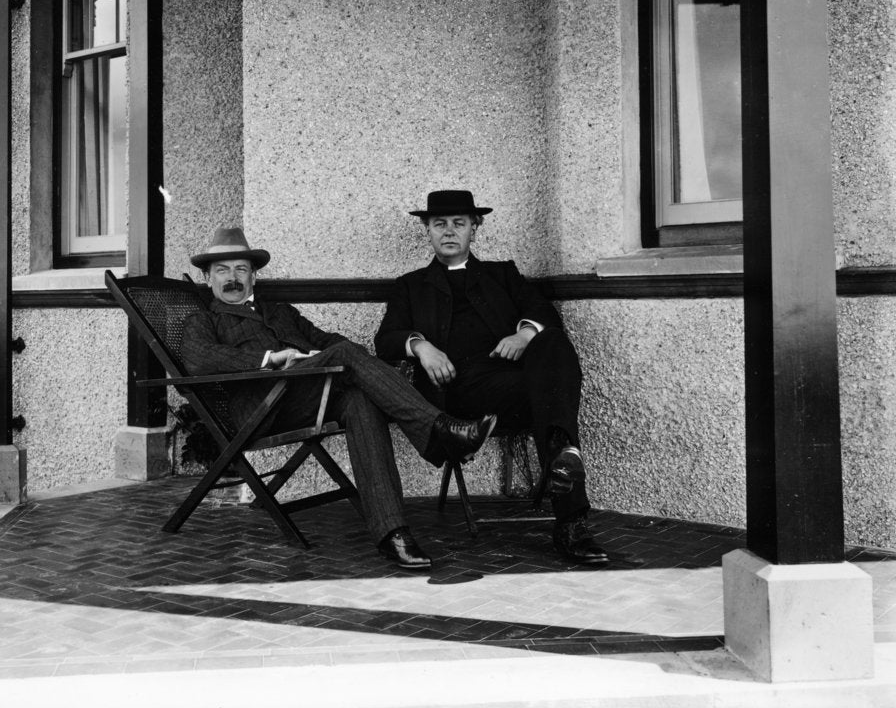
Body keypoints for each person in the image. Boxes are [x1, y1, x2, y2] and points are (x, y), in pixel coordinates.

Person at [180, 226, 497, 571]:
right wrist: (270, 359)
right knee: (345, 354)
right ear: (207, 277)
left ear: (253, 276)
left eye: (240, 269)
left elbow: (325, 338)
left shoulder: (281, 312)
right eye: (222, 270)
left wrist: (344, 359)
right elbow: (197, 358)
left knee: (359, 398)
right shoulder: (204, 319)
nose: (232, 278)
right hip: (260, 410)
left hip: (304, 395)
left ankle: (393, 533)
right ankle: (439, 430)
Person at [374, 190, 608, 565]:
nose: (449, 232)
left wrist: (523, 335)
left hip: (516, 388)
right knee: (551, 399)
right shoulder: (410, 285)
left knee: (552, 341)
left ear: (474, 228)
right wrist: (421, 347)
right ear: (427, 231)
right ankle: (571, 513)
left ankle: (564, 457)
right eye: (439, 225)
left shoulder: (502, 273)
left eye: (459, 224)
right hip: (458, 394)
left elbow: (542, 311)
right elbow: (385, 341)